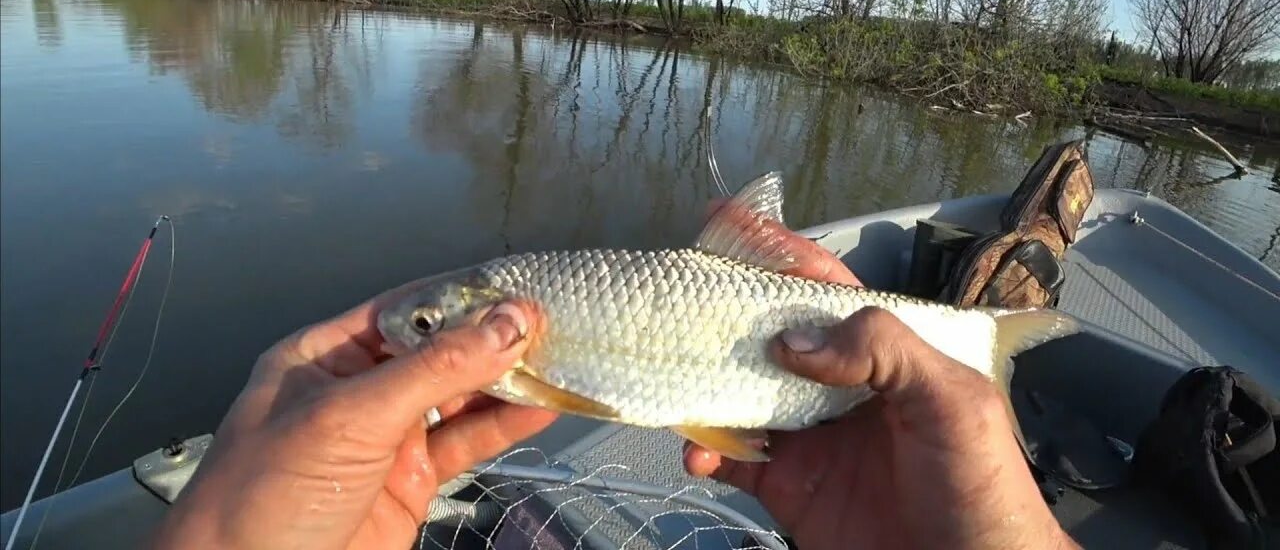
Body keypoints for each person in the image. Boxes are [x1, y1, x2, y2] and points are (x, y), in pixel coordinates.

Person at [150, 225, 1080, 550]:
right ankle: (981, 341)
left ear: (484, 334)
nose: (419, 346)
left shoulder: (519, 343)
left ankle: (983, 343)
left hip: (772, 347)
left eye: (431, 332)